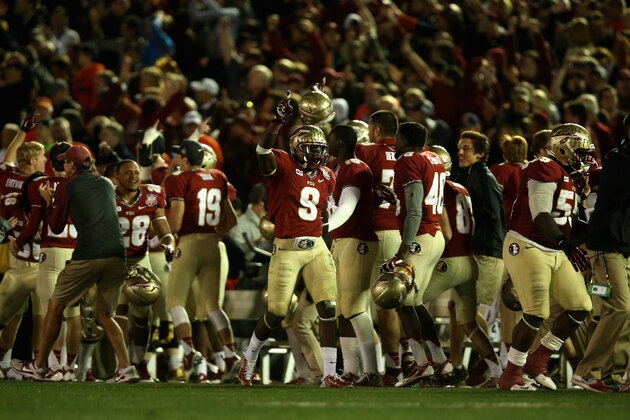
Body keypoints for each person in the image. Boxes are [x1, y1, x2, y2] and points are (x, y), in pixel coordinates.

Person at [238, 96, 352, 388]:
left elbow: (331, 213)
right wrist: (276, 123)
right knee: (276, 312)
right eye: (311, 149)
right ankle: (248, 358)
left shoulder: (327, 174)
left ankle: (329, 373)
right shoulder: (284, 165)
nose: (316, 154)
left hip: (316, 247)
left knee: (328, 307)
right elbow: (262, 150)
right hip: (287, 248)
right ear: (296, 149)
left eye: (320, 149)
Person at [10, 144, 138, 383]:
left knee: (56, 306)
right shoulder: (106, 183)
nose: (64, 165)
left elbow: (56, 225)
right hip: (118, 253)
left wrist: (50, 201)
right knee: (104, 314)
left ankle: (39, 366)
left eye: (66, 162)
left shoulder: (67, 186)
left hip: (88, 253)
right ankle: (125, 368)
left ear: (71, 164)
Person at [498, 123, 594, 391]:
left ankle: (538, 360)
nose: (584, 158)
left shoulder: (568, 174)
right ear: (562, 148)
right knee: (536, 312)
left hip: (554, 247)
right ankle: (512, 373)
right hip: (528, 243)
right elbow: (540, 213)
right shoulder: (543, 166)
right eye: (580, 152)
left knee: (580, 306)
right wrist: (566, 243)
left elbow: (568, 220)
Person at [423, 145, 503, 387]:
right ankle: (497, 371)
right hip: (470, 260)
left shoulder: (441, 189)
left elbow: (446, 232)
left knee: (410, 302)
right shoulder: (462, 188)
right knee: (467, 322)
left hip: (452, 260)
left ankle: (434, 363)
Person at [163, 139, 238, 383]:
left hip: (190, 242)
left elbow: (176, 220)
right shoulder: (218, 176)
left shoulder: (178, 179)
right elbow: (231, 219)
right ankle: (229, 354)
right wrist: (215, 231)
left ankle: (188, 351)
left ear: (184, 159)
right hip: (213, 243)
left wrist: (171, 236)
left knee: (174, 301)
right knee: (213, 306)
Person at [387, 122, 455, 387]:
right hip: (434, 234)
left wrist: (404, 246)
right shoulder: (434, 157)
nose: (395, 144)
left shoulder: (407, 161)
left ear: (404, 140)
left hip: (419, 237)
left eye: (398, 139)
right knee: (415, 303)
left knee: (401, 298)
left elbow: (415, 209)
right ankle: (439, 360)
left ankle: (421, 363)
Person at [572, 115, 630, 392]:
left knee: (621, 311)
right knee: (615, 307)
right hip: (606, 246)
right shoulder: (619, 159)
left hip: (622, 246)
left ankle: (613, 374)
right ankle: (586, 371)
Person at [355, 110, 406, 385]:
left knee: (370, 303)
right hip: (401, 232)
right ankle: (405, 360)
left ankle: (384, 366)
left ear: (375, 131)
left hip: (375, 231)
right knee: (397, 301)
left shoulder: (367, 151)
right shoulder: (408, 153)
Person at [113, 159, 175, 382]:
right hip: (112, 262)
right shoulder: (107, 196)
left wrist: (169, 243)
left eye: (136, 172)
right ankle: (117, 365)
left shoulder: (152, 194)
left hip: (140, 260)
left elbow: (164, 229)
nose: (133, 176)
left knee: (142, 315)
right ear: (117, 178)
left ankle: (139, 362)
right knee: (111, 312)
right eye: (127, 173)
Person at [327, 124, 380, 386]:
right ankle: (351, 369)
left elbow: (347, 207)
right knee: (342, 309)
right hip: (342, 240)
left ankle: (372, 370)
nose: (326, 142)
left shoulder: (354, 167)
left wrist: (321, 228)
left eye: (330, 139)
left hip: (357, 241)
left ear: (339, 142)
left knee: (355, 307)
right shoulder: (338, 167)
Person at [454, 131, 506, 323]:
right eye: (459, 147)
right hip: (477, 250)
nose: (460, 152)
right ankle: (458, 354)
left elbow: (490, 213)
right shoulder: (470, 173)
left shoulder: (481, 174)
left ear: (481, 154)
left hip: (487, 251)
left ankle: (487, 354)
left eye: (466, 148)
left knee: (476, 314)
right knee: (460, 311)